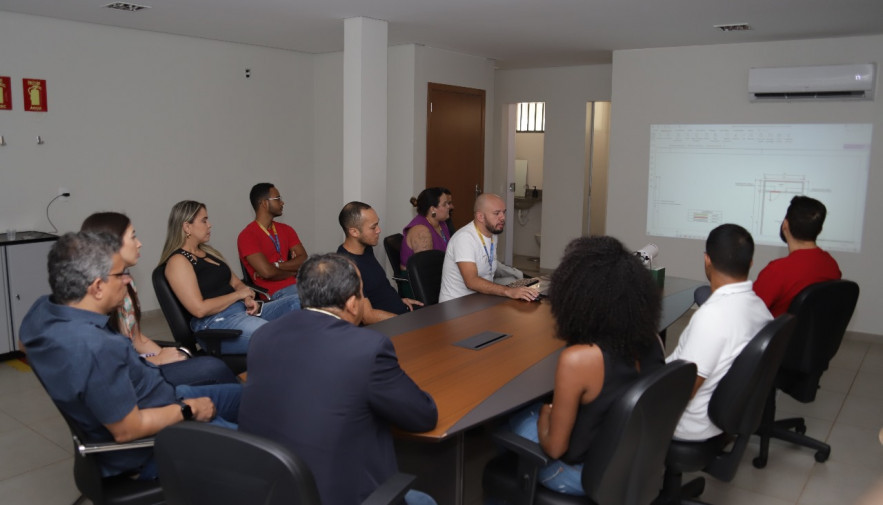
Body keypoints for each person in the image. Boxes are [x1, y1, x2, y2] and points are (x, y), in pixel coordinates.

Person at [19, 231, 240, 480]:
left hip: (160, 400)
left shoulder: (43, 309)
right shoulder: (96, 347)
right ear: (97, 287)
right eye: (120, 275)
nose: (127, 280)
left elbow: (24, 345)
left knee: (254, 399)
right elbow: (127, 431)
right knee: (265, 451)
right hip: (160, 438)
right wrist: (190, 410)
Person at [238, 253, 438, 505]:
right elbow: (422, 415)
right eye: (363, 294)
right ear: (353, 304)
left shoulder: (263, 336)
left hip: (273, 490)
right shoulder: (367, 347)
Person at [507, 236, 665, 495]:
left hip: (585, 475)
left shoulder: (579, 359)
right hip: (637, 465)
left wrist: (546, 412)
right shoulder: (654, 340)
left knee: (514, 417)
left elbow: (555, 448)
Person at [81, 212, 237, 386]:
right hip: (126, 378)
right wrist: (158, 360)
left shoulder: (125, 280)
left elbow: (137, 339)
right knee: (214, 369)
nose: (139, 243)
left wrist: (170, 356)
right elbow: (106, 368)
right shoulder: (95, 294)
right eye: (133, 237)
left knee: (207, 369)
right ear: (110, 245)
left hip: (137, 363)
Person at [667, 223, 773, 441]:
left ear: (707, 260)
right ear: (750, 263)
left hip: (689, 424)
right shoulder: (760, 308)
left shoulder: (711, 317)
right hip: (725, 416)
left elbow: (684, 388)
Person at [159, 200, 299, 355]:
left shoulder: (209, 253)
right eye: (204, 221)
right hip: (216, 323)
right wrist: (238, 295)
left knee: (299, 302)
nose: (209, 225)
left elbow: (237, 283)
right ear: (187, 227)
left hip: (242, 310)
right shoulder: (178, 261)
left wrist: (246, 298)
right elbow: (199, 309)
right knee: (275, 336)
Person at [439, 193, 538, 302]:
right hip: (456, 305)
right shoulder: (464, 238)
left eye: (503, 212)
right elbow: (471, 281)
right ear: (480, 216)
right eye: (497, 213)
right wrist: (508, 291)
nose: (503, 218)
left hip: (480, 299)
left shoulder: (492, 235)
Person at [754, 195, 842, 317]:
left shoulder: (777, 270)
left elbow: (748, 312)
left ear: (785, 224)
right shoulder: (831, 265)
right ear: (820, 230)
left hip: (780, 330)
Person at [336, 201, 422, 322]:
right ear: (354, 232)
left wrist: (398, 301)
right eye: (373, 227)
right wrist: (405, 321)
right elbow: (367, 316)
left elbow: (377, 291)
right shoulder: (345, 266)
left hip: (399, 313)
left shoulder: (366, 249)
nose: (378, 230)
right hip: (390, 324)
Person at [237, 183, 307, 301]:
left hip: (298, 286)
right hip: (275, 294)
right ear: (264, 203)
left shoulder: (287, 229)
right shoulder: (247, 236)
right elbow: (267, 273)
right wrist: (292, 271)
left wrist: (276, 266)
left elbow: (303, 260)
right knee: (313, 299)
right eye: (278, 199)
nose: (282, 202)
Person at [400, 187, 453, 269]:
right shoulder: (421, 231)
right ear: (433, 209)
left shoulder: (441, 224)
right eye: (444, 204)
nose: (449, 206)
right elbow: (426, 269)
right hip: (421, 276)